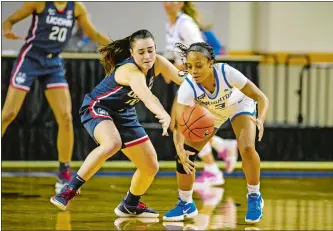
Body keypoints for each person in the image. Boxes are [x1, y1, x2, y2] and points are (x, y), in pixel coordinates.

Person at [50, 29, 184, 218]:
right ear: (131, 53)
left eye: (151, 50)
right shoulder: (130, 71)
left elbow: (182, 79)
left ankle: (130, 204)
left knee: (150, 166)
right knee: (112, 143)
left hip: (124, 113)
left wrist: (208, 81)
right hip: (97, 107)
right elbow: (147, 96)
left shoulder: (158, 62)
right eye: (141, 52)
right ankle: (69, 190)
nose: (147, 56)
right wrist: (164, 114)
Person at [1, 1, 111, 193]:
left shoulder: (76, 7)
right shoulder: (40, 3)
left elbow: (93, 34)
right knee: (8, 114)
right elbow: (10, 20)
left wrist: (119, 48)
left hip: (53, 63)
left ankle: (64, 171)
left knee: (66, 117)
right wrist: (7, 29)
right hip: (31, 58)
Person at [163, 42, 269, 223]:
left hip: (238, 105)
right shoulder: (188, 87)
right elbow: (180, 125)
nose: (193, 71)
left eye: (199, 65)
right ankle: (185, 203)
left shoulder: (227, 73)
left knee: (247, 148)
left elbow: (260, 97)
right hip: (212, 112)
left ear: (210, 63)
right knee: (185, 154)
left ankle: (254, 196)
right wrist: (180, 148)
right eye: (189, 66)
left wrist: (261, 119)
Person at [163, 1, 237, 186]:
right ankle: (222, 146)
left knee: (184, 125)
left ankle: (213, 168)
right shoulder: (171, 25)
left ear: (181, 3)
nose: (167, 2)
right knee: (181, 125)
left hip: (198, 81)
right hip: (187, 81)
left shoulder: (186, 24)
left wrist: (176, 67)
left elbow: (202, 53)